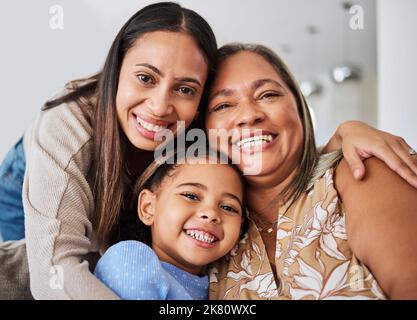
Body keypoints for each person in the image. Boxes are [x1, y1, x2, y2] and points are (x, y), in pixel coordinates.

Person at [0, 2, 416, 300]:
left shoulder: (209, 149)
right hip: (33, 196)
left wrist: (341, 136)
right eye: (145, 77)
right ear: (115, 73)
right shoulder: (72, 123)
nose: (162, 104)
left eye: (185, 89)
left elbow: (272, 149)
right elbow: (53, 271)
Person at [205, 43, 417, 300]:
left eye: (268, 94)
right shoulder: (203, 228)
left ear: (299, 106)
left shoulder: (359, 170)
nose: (249, 115)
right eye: (223, 105)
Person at [94, 148, 247, 299]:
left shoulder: (226, 289)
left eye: (228, 207)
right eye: (191, 196)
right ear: (148, 207)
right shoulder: (130, 260)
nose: (211, 214)